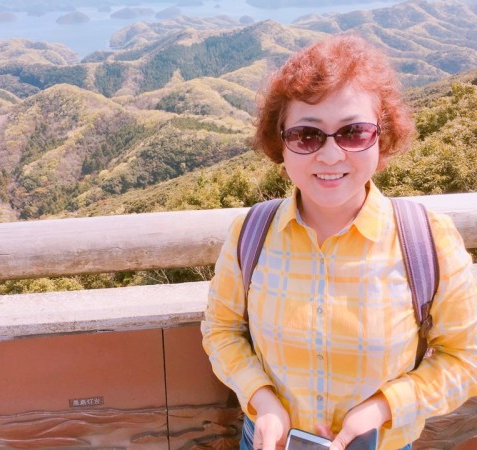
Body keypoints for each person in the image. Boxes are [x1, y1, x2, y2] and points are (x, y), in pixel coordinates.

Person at [200, 34, 477, 450]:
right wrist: (264, 401)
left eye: (354, 132)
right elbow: (221, 330)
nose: (330, 155)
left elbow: (466, 357)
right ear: (281, 143)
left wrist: (383, 408)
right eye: (306, 136)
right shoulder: (250, 233)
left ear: (381, 137)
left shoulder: (427, 241)